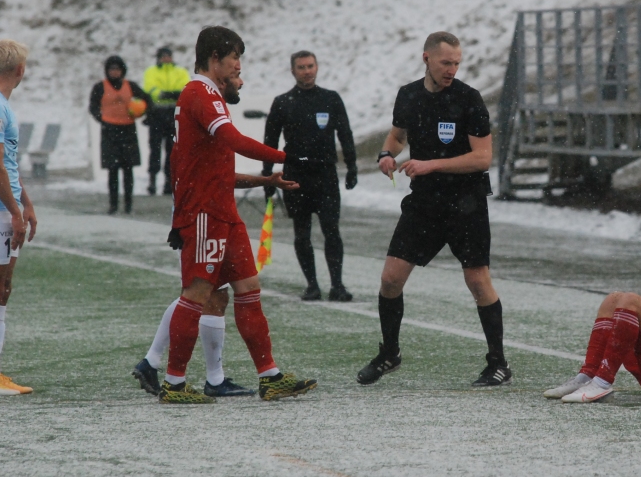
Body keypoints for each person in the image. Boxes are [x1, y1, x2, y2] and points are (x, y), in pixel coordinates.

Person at [154, 25, 314, 404]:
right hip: (206, 213)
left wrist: (266, 179)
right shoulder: (199, 92)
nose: (238, 67)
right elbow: (232, 140)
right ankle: (173, 383)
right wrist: (286, 155)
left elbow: (215, 167)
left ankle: (269, 376)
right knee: (195, 295)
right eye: (234, 59)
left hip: (222, 211)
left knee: (248, 290)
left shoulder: (207, 96)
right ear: (214, 59)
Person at [355, 31, 509, 387]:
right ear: (426, 58)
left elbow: (483, 157)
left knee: (477, 280)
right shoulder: (408, 95)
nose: (451, 69)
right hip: (424, 203)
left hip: (465, 203)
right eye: (445, 63)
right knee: (391, 279)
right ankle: (389, 354)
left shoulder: (469, 99)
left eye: (456, 63)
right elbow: (397, 135)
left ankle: (498, 363)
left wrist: (430, 165)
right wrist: (386, 154)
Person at [132, 76, 256, 398]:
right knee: (197, 292)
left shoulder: (200, 107)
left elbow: (195, 169)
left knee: (214, 295)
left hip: (209, 213)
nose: (240, 79)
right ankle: (156, 363)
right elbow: (188, 168)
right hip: (204, 215)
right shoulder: (201, 101)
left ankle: (212, 378)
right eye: (235, 67)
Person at [262, 51, 358, 302]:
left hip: (325, 175)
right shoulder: (283, 102)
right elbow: (270, 142)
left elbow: (345, 134)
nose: (307, 71)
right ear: (293, 71)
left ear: (317, 67)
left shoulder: (331, 99)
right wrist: (267, 177)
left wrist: (352, 167)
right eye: (301, 67)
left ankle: (337, 285)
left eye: (310, 66)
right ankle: (312, 285)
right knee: (302, 233)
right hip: (295, 176)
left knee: (331, 230)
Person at [0, 40, 38, 397]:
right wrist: (15, 211)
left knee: (2, 290)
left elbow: (8, 165)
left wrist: (25, 203)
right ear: (20, 70)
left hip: (4, 206)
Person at [89, 56, 152, 214]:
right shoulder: (100, 87)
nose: (114, 72)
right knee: (112, 169)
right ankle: (113, 204)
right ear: (107, 71)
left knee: (128, 169)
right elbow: (93, 106)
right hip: (110, 131)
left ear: (122, 71)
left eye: (117, 69)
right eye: (112, 70)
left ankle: (128, 204)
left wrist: (144, 114)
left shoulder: (130, 86)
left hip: (128, 130)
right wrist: (101, 119)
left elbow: (147, 99)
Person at [142, 46, 190, 195]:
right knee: (155, 149)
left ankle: (169, 182)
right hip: (157, 115)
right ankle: (152, 180)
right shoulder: (151, 71)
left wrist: (167, 94)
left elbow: (186, 88)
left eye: (168, 56)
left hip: (174, 115)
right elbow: (151, 89)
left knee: (172, 150)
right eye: (163, 56)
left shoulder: (180, 71)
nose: (166, 59)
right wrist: (170, 94)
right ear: (158, 58)